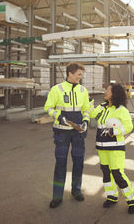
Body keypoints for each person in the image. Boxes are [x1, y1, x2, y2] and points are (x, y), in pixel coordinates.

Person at [44, 62, 90, 208]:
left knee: (78, 163)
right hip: (61, 133)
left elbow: (86, 109)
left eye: (81, 75)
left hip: (78, 133)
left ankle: (76, 191)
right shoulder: (56, 89)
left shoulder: (83, 90)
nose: (80, 77)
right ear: (70, 73)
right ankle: (57, 196)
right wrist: (59, 117)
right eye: (79, 74)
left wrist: (85, 122)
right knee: (60, 164)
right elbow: (48, 107)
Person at [90, 83, 134, 214]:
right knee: (106, 172)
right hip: (102, 147)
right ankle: (112, 196)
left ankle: (132, 199)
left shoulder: (121, 110)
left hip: (116, 148)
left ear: (114, 94)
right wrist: (88, 103)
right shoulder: (102, 107)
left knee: (117, 173)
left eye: (108, 90)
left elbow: (129, 127)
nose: (105, 92)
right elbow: (91, 114)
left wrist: (114, 131)